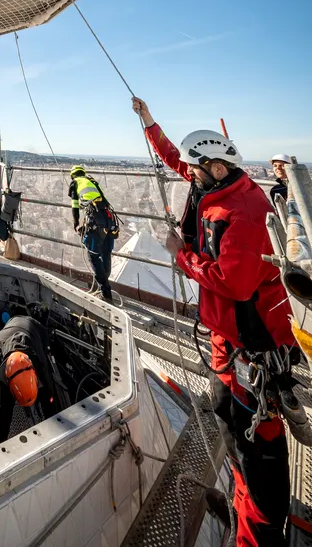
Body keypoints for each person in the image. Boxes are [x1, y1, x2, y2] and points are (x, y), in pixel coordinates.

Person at [132, 96, 299, 547]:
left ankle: (258, 533)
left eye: (197, 168)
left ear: (218, 168)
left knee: (254, 444)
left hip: (250, 346)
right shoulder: (216, 187)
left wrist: (180, 254)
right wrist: (149, 121)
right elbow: (173, 160)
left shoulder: (242, 213)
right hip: (229, 337)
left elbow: (235, 283)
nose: (190, 173)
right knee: (231, 425)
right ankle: (244, 504)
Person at [0, 315, 59, 446]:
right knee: (3, 409)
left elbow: (49, 391)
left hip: (34, 329)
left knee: (47, 400)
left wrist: (52, 414)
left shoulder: (39, 361)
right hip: (10, 330)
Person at [69, 165, 119, 303]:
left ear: (72, 176)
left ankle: (105, 293)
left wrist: (76, 224)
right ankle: (104, 285)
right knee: (105, 252)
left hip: (95, 220)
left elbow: (75, 206)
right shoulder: (93, 182)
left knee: (93, 256)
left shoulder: (75, 182)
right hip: (108, 220)